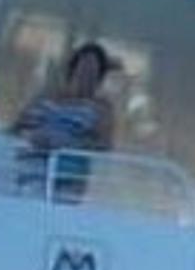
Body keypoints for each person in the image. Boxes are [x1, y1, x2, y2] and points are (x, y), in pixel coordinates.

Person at [12, 42, 118, 203]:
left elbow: (104, 144)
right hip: (32, 165)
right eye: (83, 68)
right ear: (73, 69)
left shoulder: (100, 107)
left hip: (68, 173)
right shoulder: (46, 96)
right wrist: (33, 136)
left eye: (93, 72)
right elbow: (17, 127)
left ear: (99, 77)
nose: (86, 76)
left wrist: (68, 144)